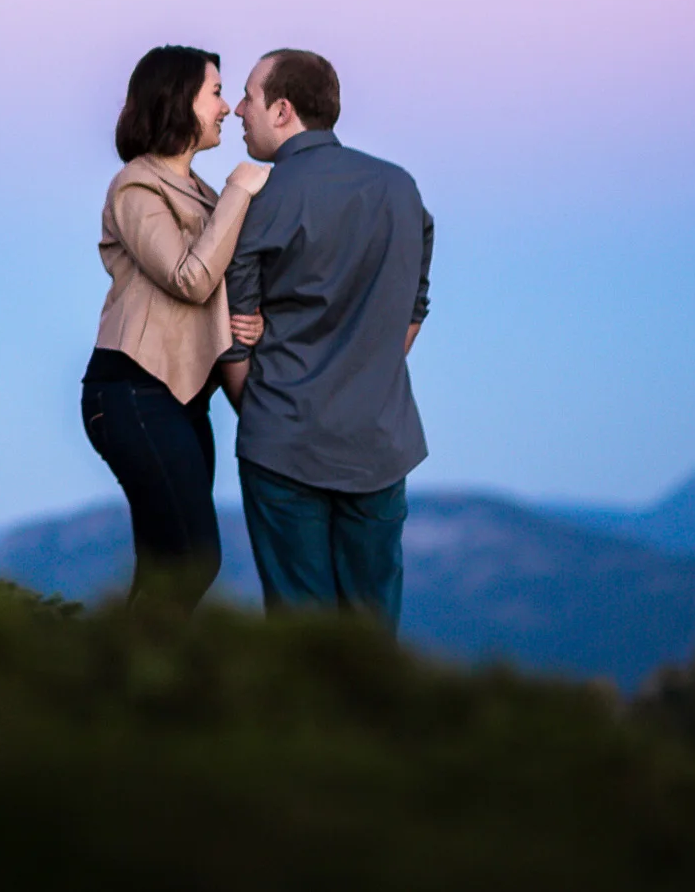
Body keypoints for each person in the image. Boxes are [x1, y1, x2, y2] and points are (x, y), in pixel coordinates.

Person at [222, 48, 433, 631]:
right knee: (372, 629)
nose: (238, 110)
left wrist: (261, 410)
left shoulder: (261, 198)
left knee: (299, 635)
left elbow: (232, 332)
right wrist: (366, 374)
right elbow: (413, 309)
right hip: (379, 440)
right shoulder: (401, 187)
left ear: (284, 110)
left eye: (248, 98)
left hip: (284, 443)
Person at [82, 45, 268, 611]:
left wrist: (248, 319)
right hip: (133, 392)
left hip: (181, 397)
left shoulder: (201, 193)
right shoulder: (136, 188)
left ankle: (116, 684)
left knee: (169, 566)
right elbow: (189, 279)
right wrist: (241, 189)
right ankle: (113, 681)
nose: (228, 108)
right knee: (193, 558)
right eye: (215, 92)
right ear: (178, 100)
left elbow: (215, 288)